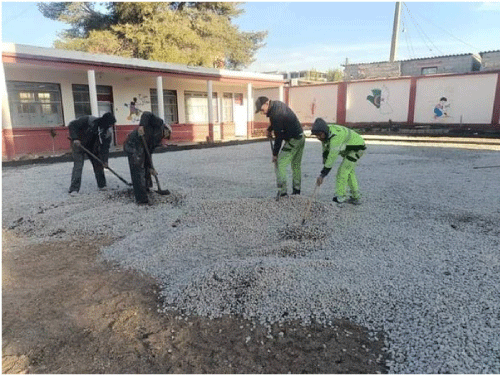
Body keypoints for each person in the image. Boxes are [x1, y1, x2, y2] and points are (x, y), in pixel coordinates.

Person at [255, 96, 305, 199]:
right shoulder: (277, 105)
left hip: (293, 140)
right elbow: (276, 123)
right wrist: (269, 129)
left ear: (267, 103)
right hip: (301, 137)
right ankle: (297, 192)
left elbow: (279, 137)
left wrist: (275, 154)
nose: (262, 112)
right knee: (295, 165)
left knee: (280, 164)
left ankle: (282, 193)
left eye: (262, 109)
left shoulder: (276, 114)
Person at [311, 118, 367, 206]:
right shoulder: (325, 133)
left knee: (342, 171)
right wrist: (324, 165)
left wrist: (323, 174)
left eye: (319, 135)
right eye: (316, 135)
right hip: (350, 148)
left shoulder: (335, 137)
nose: (318, 137)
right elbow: (326, 151)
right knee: (349, 172)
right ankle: (355, 197)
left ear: (324, 132)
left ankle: (340, 198)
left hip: (357, 149)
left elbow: (332, 156)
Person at [124, 112, 172, 204]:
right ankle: (141, 199)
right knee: (138, 170)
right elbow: (146, 114)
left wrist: (151, 167)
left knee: (146, 167)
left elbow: (149, 154)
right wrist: (142, 126)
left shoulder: (157, 140)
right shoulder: (159, 123)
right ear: (166, 130)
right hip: (133, 144)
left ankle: (146, 187)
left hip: (141, 146)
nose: (166, 138)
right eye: (167, 136)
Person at [68, 112, 116, 194]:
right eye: (109, 124)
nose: (110, 126)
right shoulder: (88, 120)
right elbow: (71, 125)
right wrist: (75, 138)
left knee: (98, 164)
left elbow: (105, 148)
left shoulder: (107, 133)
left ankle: (102, 185)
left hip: (93, 148)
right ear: (105, 121)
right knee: (78, 166)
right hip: (79, 144)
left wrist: (105, 161)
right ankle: (74, 189)